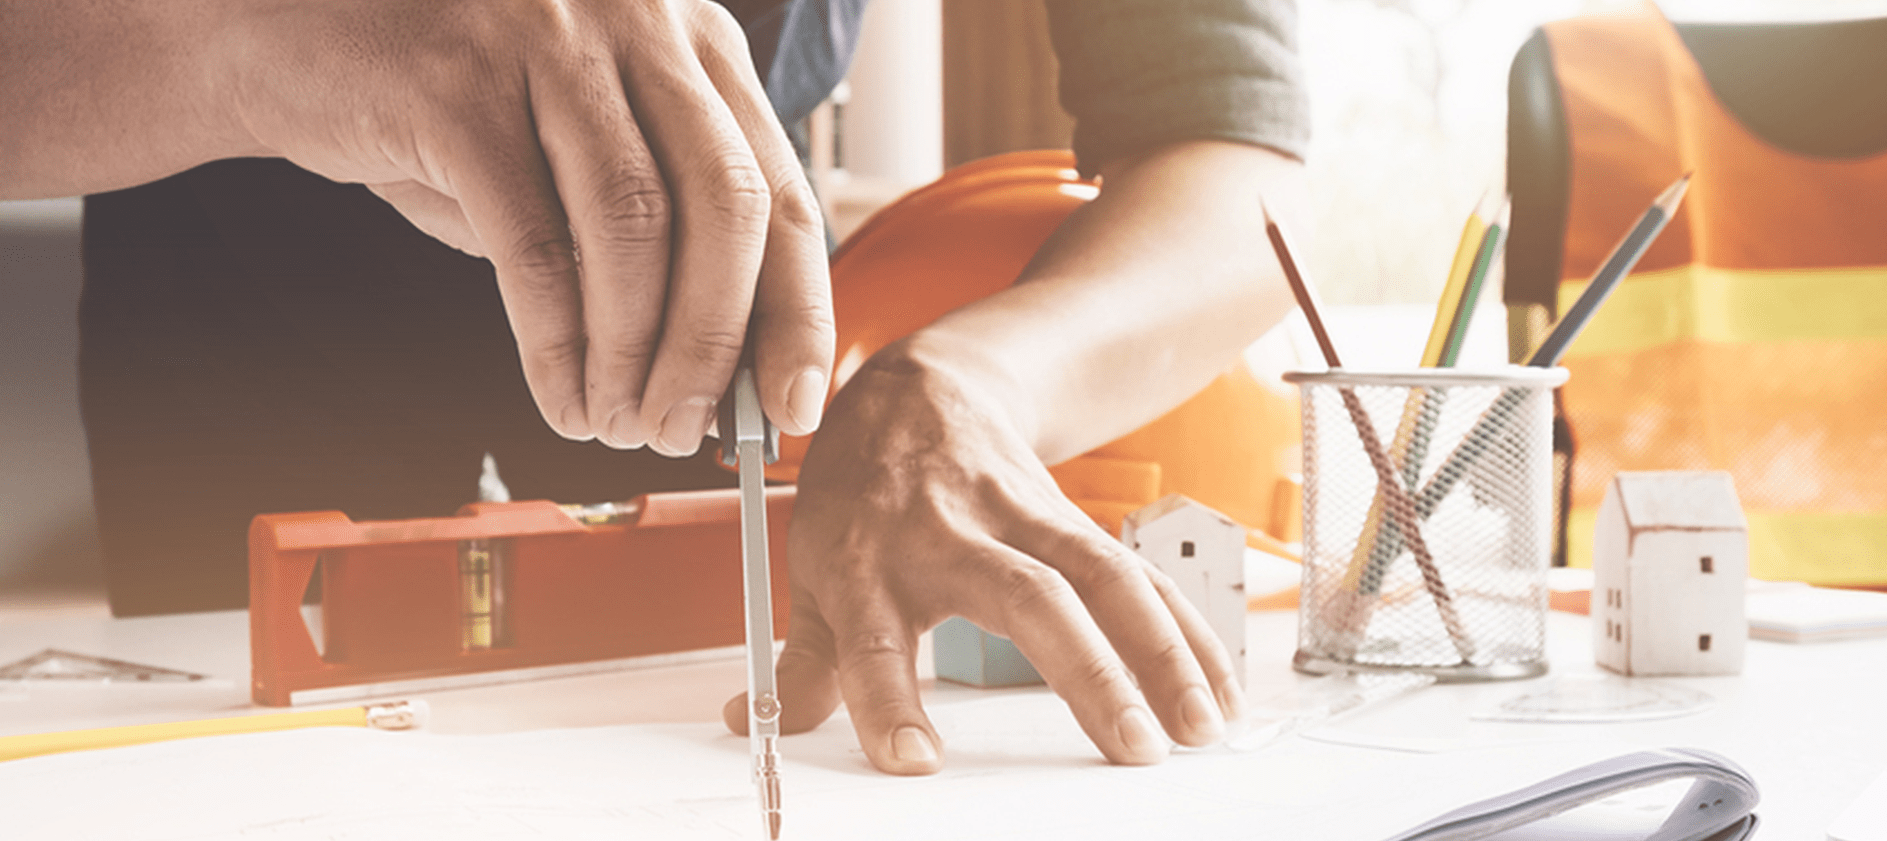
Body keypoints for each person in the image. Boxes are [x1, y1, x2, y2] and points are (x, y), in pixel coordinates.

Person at [1, 0, 1309, 775]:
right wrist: (263, 38)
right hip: (226, 333)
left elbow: (1233, 160)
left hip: (711, 293)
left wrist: (980, 376)